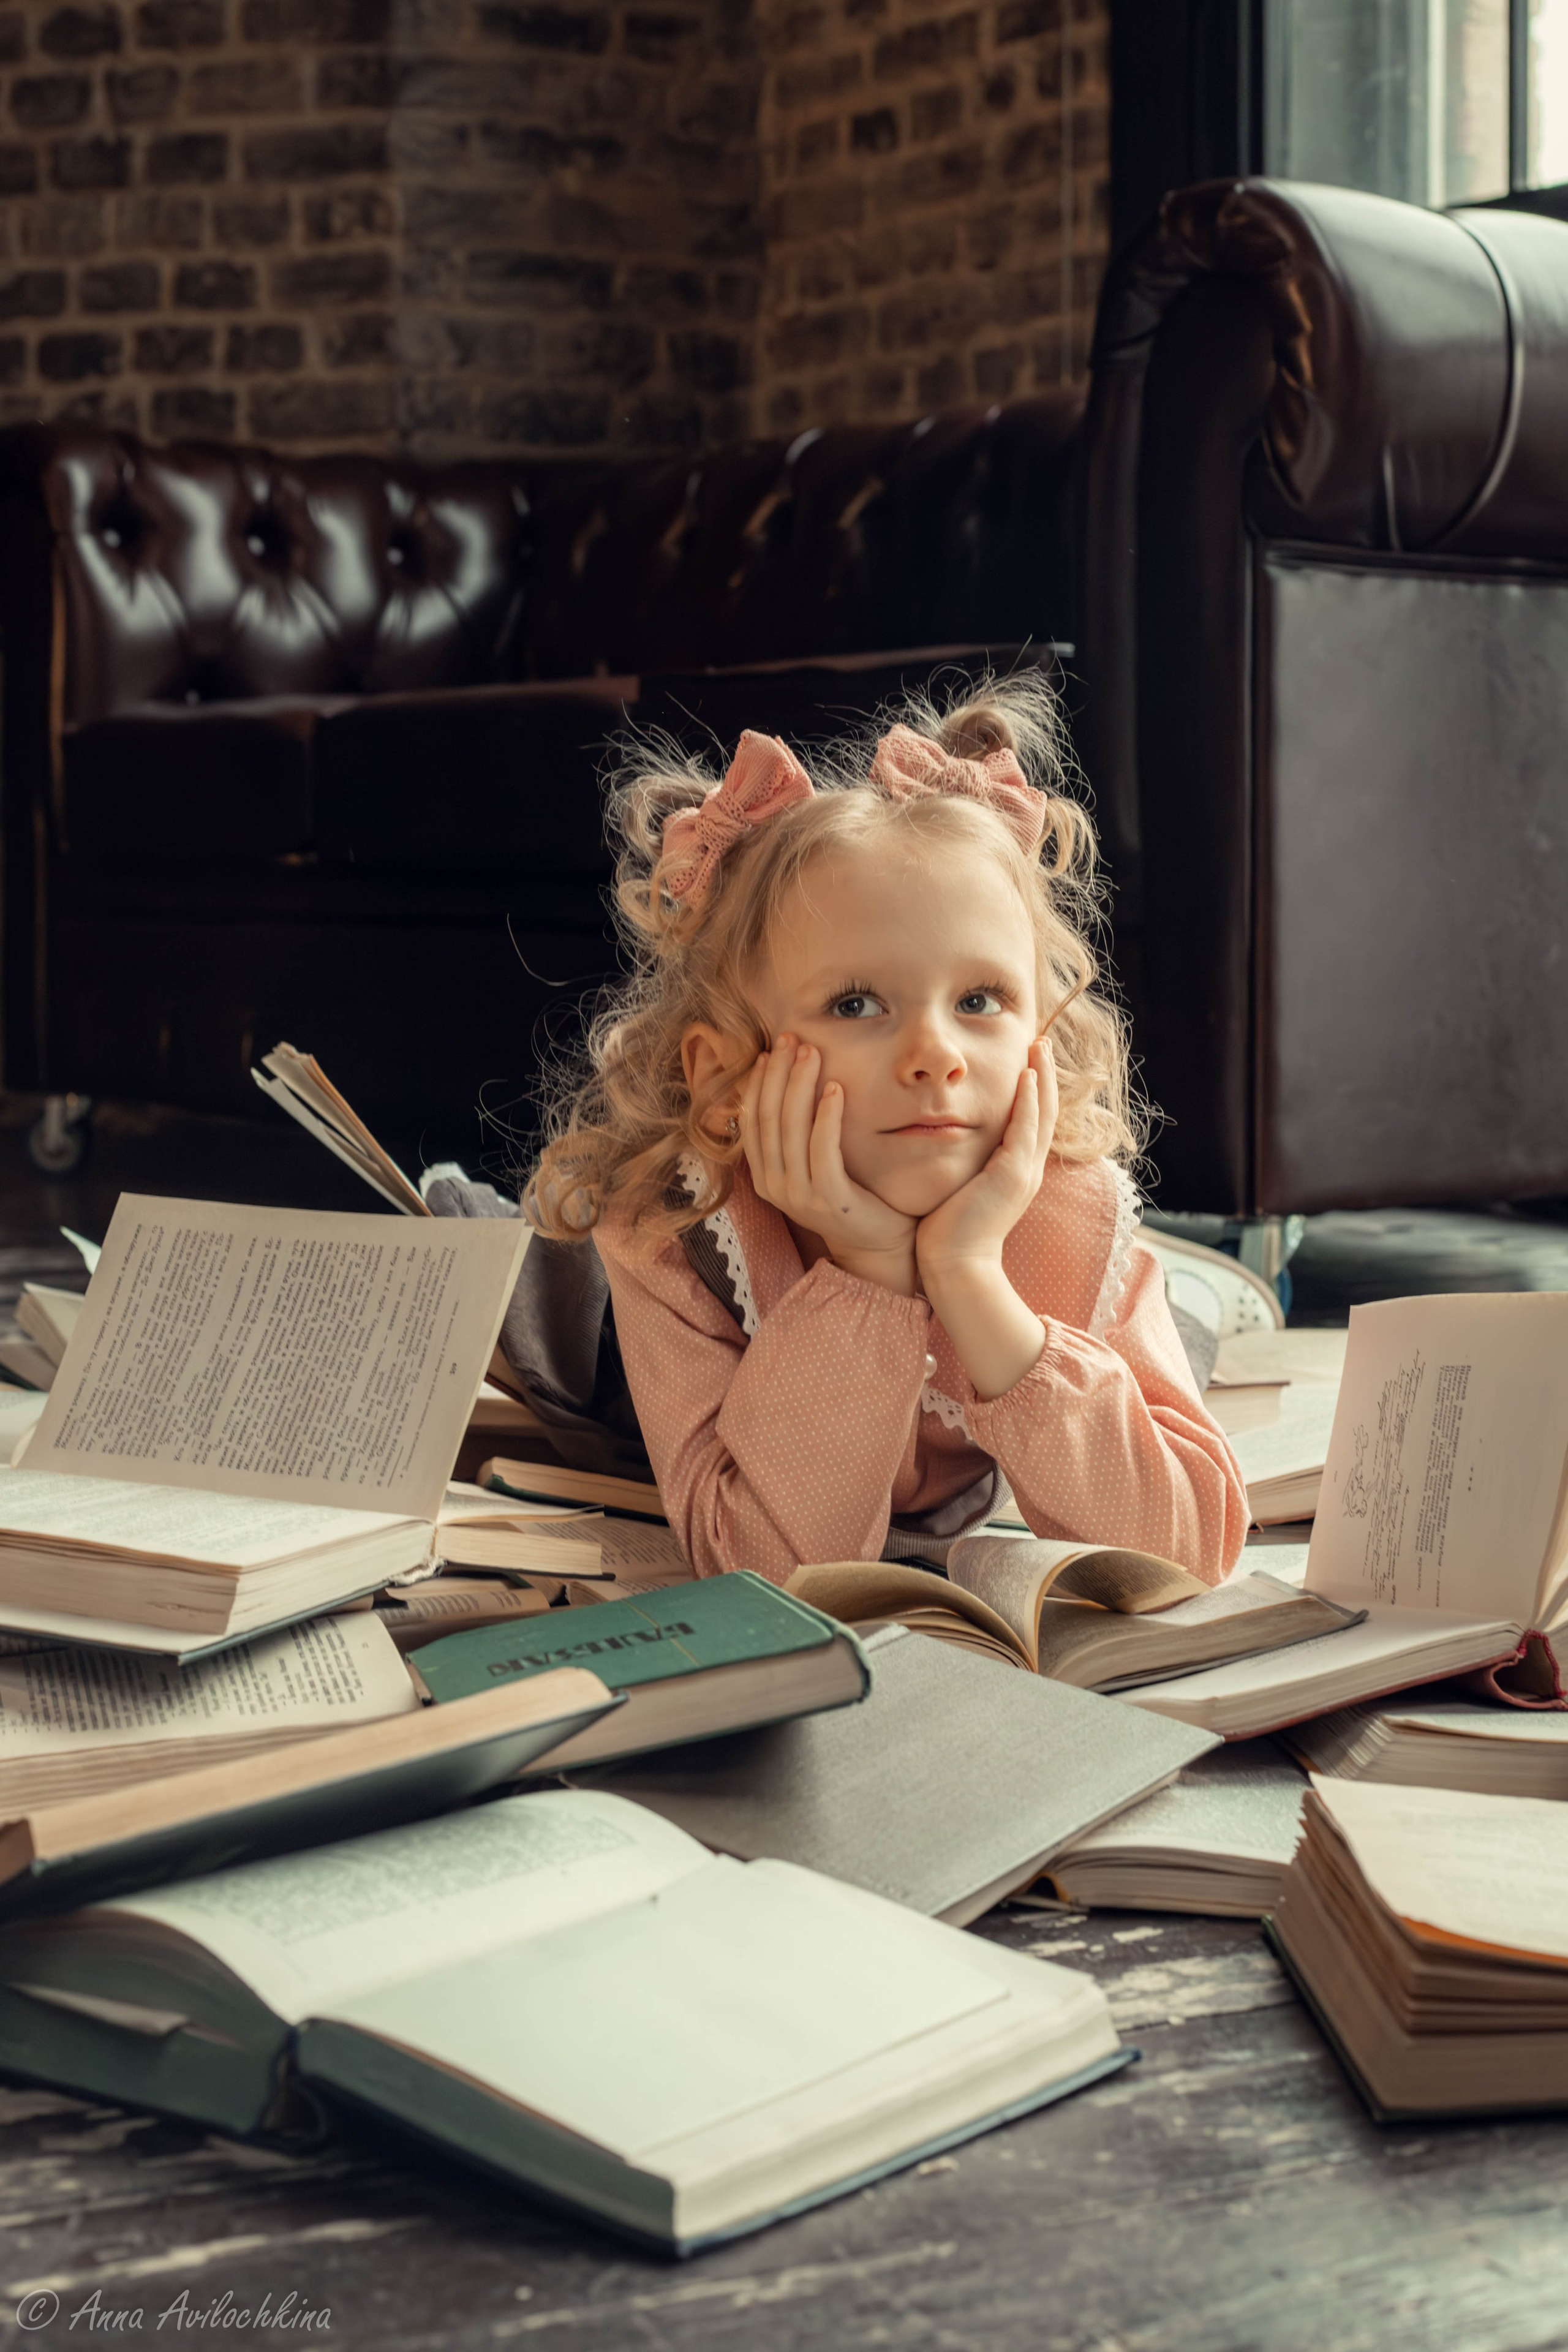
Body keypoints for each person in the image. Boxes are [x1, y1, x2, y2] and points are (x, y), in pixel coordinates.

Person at [527, 674, 1249, 1588]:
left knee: (1166, 1344)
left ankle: (1199, 1290)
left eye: (980, 1000)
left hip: (1006, 1330)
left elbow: (1190, 1552)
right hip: (610, 1356)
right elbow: (760, 1569)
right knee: (535, 1293)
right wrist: (867, 1270)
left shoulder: (1068, 1211)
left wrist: (970, 1277)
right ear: (723, 1077)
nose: (935, 1055)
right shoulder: (672, 1235)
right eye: (857, 1003)